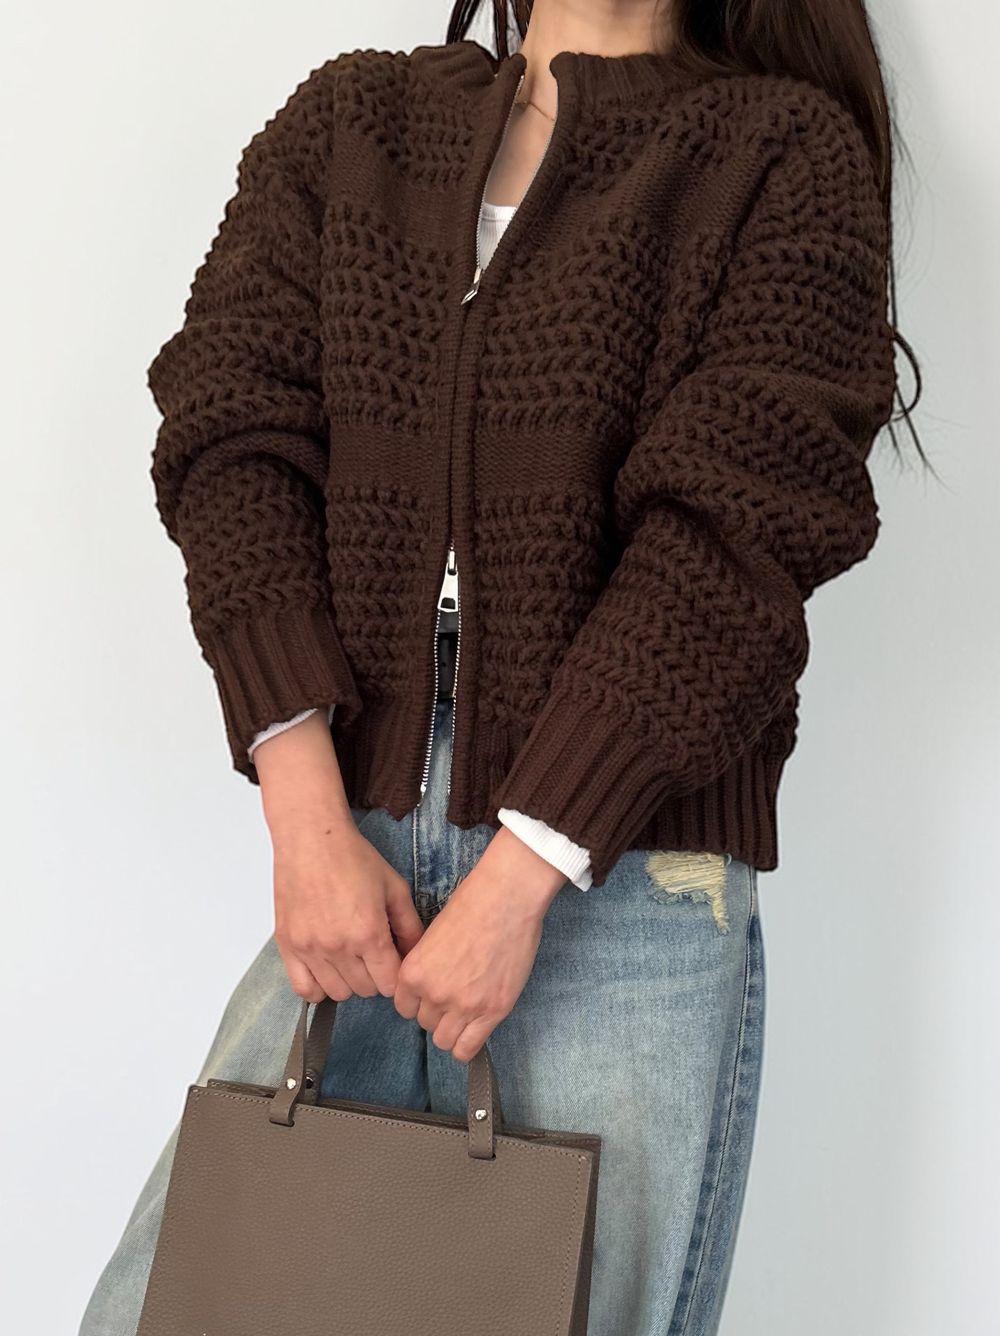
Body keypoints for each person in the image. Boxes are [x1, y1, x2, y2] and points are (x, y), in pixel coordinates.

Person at [79, 1, 926, 1332]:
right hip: (350, 830)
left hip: (625, 873)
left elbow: (740, 531)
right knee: (202, 1298)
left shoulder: (777, 152)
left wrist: (527, 870)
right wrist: (305, 817)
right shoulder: (355, 122)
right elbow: (231, 436)